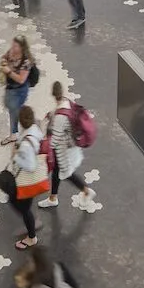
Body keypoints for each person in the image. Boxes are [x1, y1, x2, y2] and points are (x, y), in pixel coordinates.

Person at [40, 80, 95, 209]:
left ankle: (86, 191)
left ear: (53, 95)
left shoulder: (60, 117)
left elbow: (55, 139)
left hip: (64, 149)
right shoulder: (67, 101)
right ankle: (53, 197)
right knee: (58, 172)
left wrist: (44, 143)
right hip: (70, 145)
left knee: (66, 173)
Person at [2, 106, 46, 250]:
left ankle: (31, 237)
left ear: (20, 122)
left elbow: (30, 165)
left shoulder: (26, 143)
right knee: (21, 204)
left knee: (20, 205)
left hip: (27, 178)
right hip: (32, 177)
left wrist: (15, 155)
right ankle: (31, 222)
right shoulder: (34, 129)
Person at [0, 35, 34, 134]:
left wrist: (8, 71)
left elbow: (21, 79)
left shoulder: (26, 61)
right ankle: (25, 116)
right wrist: (4, 61)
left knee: (13, 112)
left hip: (19, 90)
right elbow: (4, 57)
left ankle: (14, 134)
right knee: (11, 107)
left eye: (15, 46)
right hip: (10, 87)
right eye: (12, 45)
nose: (12, 48)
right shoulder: (12, 52)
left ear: (22, 47)